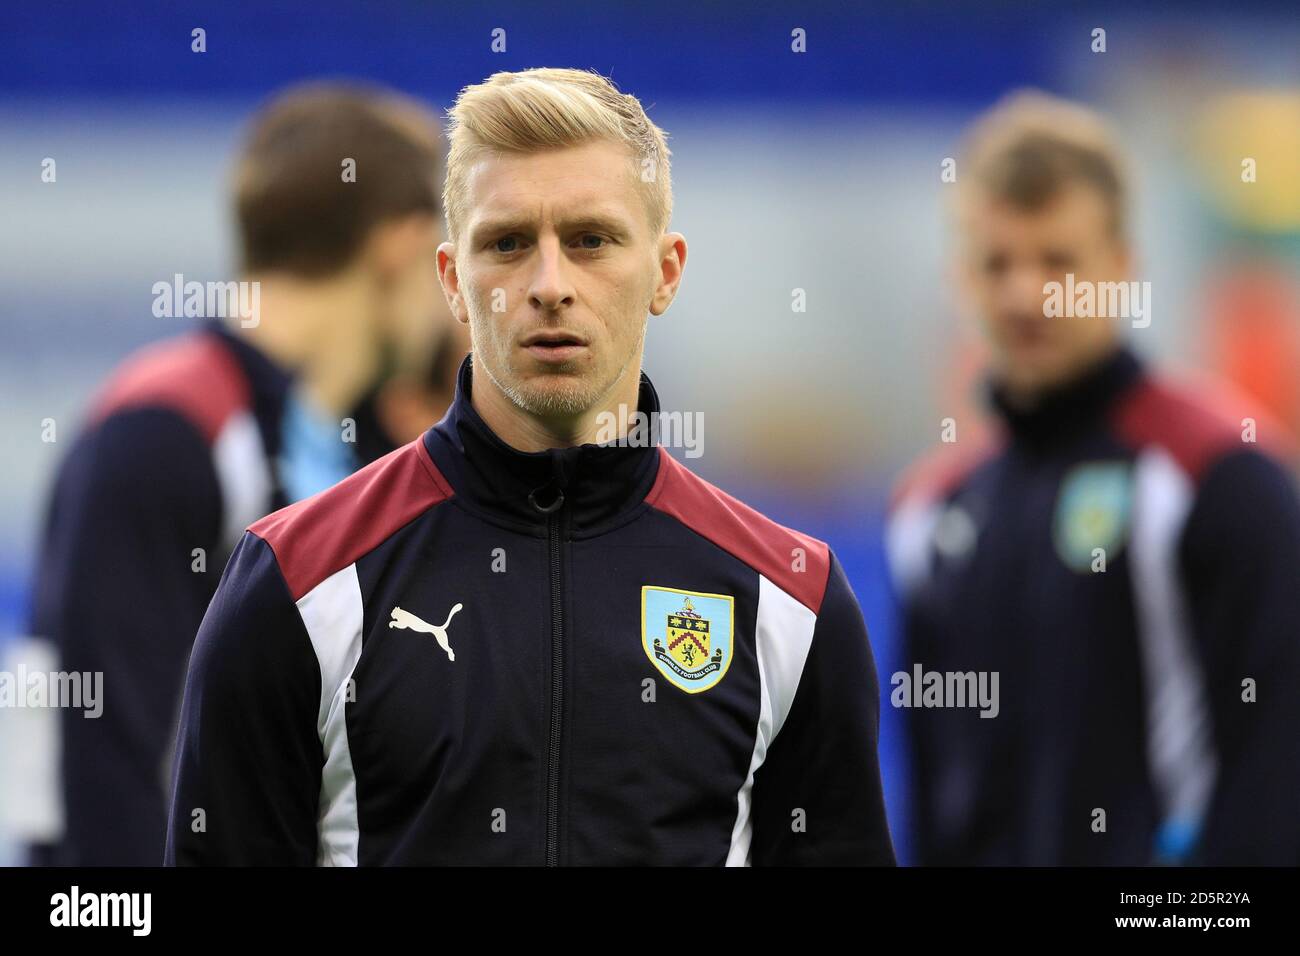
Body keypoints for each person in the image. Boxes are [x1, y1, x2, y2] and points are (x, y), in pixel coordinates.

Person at [165, 67, 896, 866]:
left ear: (666, 270)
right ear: (451, 280)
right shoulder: (295, 582)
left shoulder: (790, 599)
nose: (549, 286)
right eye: (508, 243)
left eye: (591, 240)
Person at [28, 81, 452, 865]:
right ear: (401, 245)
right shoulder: (162, 432)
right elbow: (94, 765)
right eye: (446, 252)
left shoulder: (356, 446)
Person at [886, 91, 1300, 865]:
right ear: (960, 276)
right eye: (996, 263)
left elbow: (1275, 778)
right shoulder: (928, 514)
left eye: (1058, 261)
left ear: (1121, 265)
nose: (1025, 294)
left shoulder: (1219, 477)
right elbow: (933, 791)